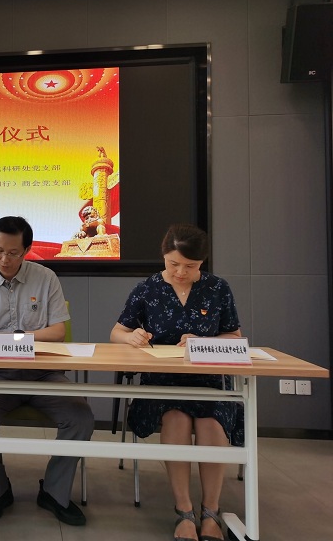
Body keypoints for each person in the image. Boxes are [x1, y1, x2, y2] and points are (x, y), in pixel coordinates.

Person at [0, 216, 94, 525]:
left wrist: (14, 339)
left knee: (81, 417)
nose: (4, 259)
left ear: (26, 250)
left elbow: (58, 332)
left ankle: (53, 492)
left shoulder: (46, 278)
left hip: (44, 373)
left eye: (13, 253)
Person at [110, 223, 242, 541]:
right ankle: (184, 511)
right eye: (174, 264)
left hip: (209, 381)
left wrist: (203, 342)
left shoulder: (217, 288)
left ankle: (210, 511)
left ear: (202, 263)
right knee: (176, 419)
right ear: (164, 257)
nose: (181, 272)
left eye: (190, 266)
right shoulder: (147, 288)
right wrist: (132, 337)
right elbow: (117, 332)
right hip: (162, 381)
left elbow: (234, 336)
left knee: (211, 424)